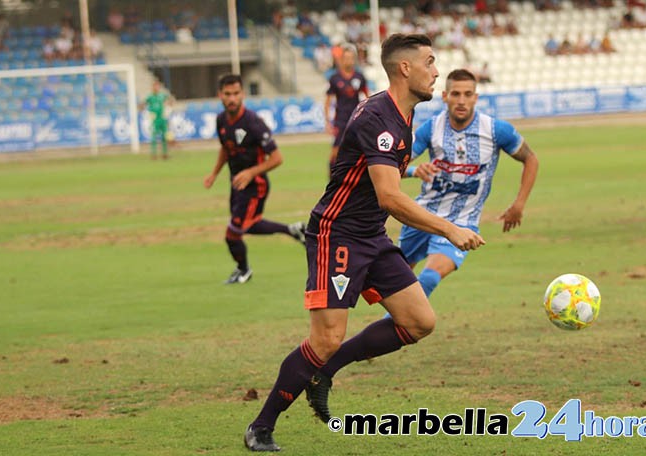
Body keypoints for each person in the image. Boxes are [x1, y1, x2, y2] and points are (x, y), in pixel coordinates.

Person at [243, 34, 484, 452]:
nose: (436, 71)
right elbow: (389, 197)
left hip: (371, 234)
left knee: (419, 321)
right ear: (405, 68)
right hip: (337, 234)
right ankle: (261, 427)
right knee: (325, 338)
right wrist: (449, 229)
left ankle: (327, 370)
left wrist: (410, 173)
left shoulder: (400, 115)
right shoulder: (379, 116)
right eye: (429, 62)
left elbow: (369, 172)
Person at [397, 68, 538, 302]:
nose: (461, 101)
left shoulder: (495, 130)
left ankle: (391, 332)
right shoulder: (431, 128)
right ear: (445, 96)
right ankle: (390, 330)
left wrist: (519, 204)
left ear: (476, 98)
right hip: (422, 215)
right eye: (455, 94)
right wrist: (414, 170)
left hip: (462, 221)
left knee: (429, 277)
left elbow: (530, 159)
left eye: (467, 94)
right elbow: (389, 164)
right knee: (395, 283)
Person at [203, 74, 306, 285]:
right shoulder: (221, 120)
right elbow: (226, 147)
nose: (232, 98)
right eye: (227, 94)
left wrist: (251, 172)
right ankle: (292, 230)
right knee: (249, 226)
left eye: (236, 94)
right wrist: (214, 173)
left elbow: (277, 158)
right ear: (220, 95)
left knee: (232, 233)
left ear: (242, 94)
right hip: (237, 185)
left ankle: (243, 271)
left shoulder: (253, 123)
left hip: (255, 186)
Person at [324, 44, 369, 175]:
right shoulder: (335, 78)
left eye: (351, 58)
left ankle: (359, 178)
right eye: (346, 58)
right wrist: (327, 122)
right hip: (341, 120)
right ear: (342, 59)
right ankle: (332, 181)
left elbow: (368, 98)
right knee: (335, 151)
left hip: (356, 119)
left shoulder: (359, 77)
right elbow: (327, 102)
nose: (348, 61)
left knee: (362, 149)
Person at [140, 81, 171, 160]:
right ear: (152, 87)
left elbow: (170, 100)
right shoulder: (150, 97)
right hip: (155, 120)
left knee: (164, 137)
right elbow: (143, 104)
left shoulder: (162, 95)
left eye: (158, 86)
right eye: (155, 86)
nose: (156, 88)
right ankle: (153, 154)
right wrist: (144, 110)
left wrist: (168, 108)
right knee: (154, 137)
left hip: (162, 118)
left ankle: (165, 154)